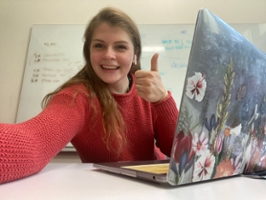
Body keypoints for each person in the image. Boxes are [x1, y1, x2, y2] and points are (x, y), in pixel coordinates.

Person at [0, 7, 178, 184]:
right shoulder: (76, 97)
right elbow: (33, 142)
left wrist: (163, 100)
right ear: (89, 53)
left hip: (160, 185)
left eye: (121, 47)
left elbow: (182, 154)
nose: (109, 55)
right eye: (99, 45)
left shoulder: (148, 91)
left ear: (135, 55)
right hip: (107, 191)